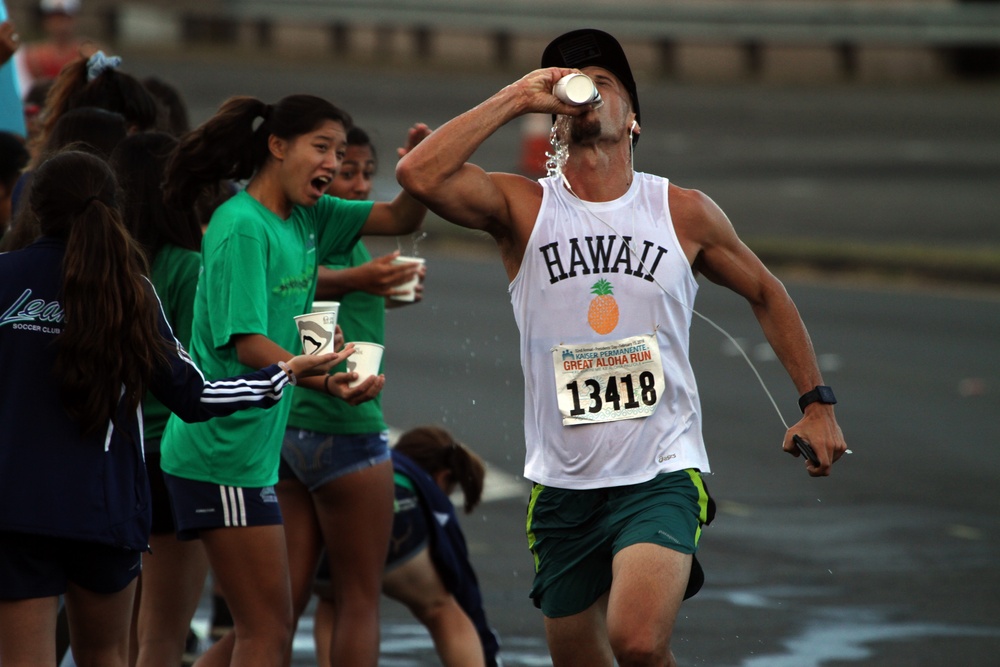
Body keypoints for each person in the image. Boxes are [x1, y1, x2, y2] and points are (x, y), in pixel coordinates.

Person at [396, 28, 848, 667]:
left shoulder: (682, 212)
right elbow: (418, 173)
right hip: (562, 486)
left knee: (637, 642)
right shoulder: (524, 206)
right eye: (572, 83)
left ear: (632, 118)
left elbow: (767, 292)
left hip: (660, 471)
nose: (586, 93)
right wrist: (520, 95)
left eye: (603, 83)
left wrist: (817, 403)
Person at [0, 149, 342, 667]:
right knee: (109, 656)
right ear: (111, 210)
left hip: (16, 509)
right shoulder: (130, 292)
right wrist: (285, 373)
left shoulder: (5, 276)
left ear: (34, 209)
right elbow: (197, 395)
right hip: (104, 510)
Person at [159, 94, 426, 667]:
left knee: (267, 626)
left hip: (252, 452)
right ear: (277, 147)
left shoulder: (309, 215)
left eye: (339, 150)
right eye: (321, 147)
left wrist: (422, 169)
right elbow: (248, 344)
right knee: (267, 631)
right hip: (220, 450)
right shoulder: (241, 228)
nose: (332, 163)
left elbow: (400, 218)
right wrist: (322, 374)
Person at [278, 124, 427, 667]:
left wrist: (380, 292)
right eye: (347, 170)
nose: (362, 183)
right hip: (345, 431)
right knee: (358, 600)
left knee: (281, 608)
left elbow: (315, 319)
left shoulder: (319, 236)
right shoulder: (325, 240)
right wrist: (363, 279)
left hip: (288, 432)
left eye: (368, 171)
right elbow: (304, 290)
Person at [109, 131, 207, 667]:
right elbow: (199, 372)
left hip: (115, 452)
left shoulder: (107, 267)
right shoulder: (189, 266)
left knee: (114, 633)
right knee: (164, 636)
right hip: (173, 453)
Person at [317, 425, 501, 667]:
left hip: (332, 522)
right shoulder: (428, 490)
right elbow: (464, 585)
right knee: (441, 608)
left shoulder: (377, 458)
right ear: (443, 477)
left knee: (337, 601)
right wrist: (487, 652)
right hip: (397, 512)